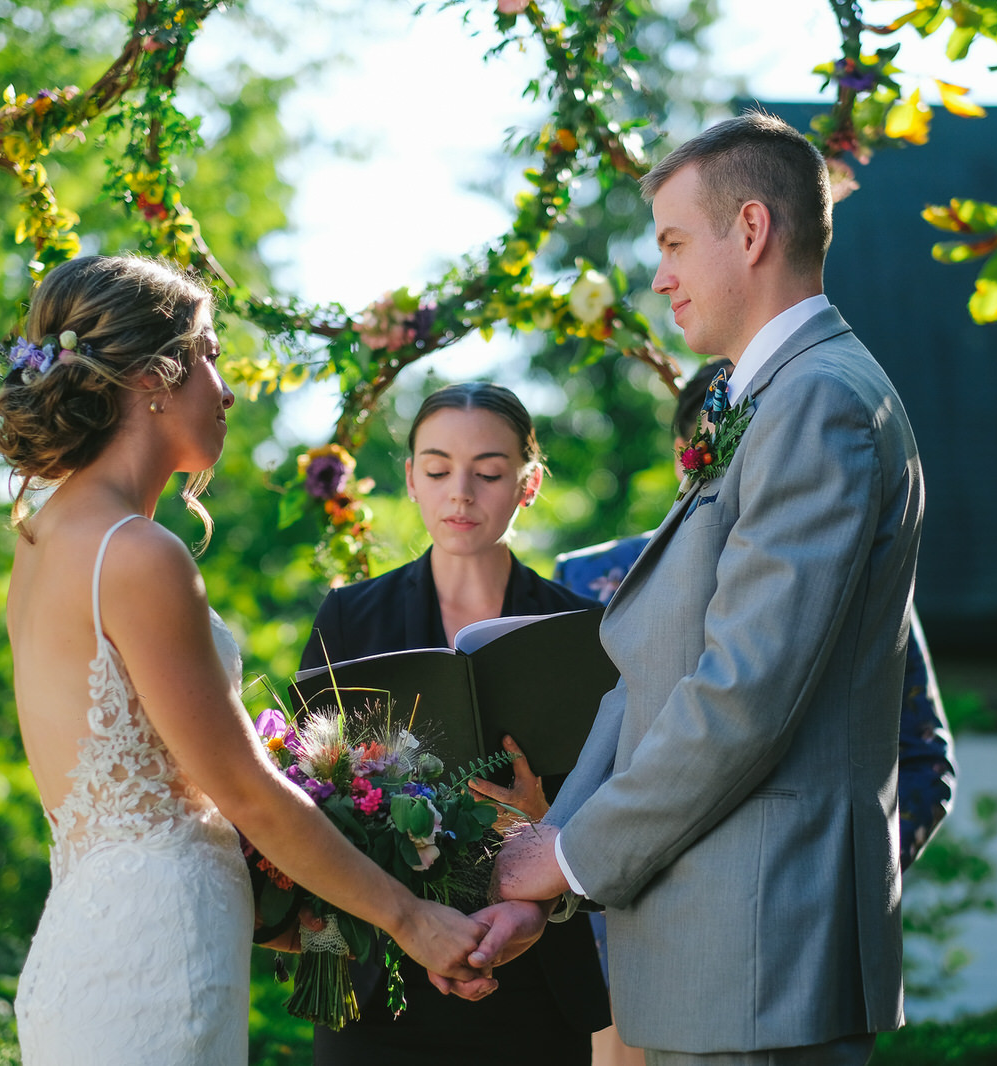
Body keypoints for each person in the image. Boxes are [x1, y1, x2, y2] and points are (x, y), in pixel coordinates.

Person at [451, 111, 923, 1066]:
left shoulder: (820, 400)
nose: (658, 276)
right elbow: (646, 676)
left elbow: (745, 690)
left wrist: (571, 856)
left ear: (750, 231)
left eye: (672, 244)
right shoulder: (766, 399)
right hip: (706, 953)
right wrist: (548, 855)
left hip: (761, 948)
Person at [0, 255, 488, 1065]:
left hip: (80, 948)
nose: (226, 388)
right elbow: (247, 792)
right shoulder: (140, 554)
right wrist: (413, 919)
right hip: (160, 956)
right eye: (211, 354)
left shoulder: (39, 542)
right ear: (155, 377)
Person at [298, 382, 611, 1065]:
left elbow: (625, 803)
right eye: (438, 470)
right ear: (410, 479)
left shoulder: (581, 630)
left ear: (527, 486)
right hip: (381, 980)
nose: (460, 493)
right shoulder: (351, 618)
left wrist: (548, 819)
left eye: (489, 473)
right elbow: (308, 795)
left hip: (534, 981)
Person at [555, 358, 954, 872]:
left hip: (778, 894)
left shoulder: (860, 579)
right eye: (726, 453)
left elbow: (923, 761)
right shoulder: (588, 580)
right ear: (684, 458)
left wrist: (829, 878)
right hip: (606, 908)